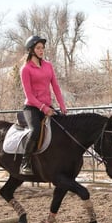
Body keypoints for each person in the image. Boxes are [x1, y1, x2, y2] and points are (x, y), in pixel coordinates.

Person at [18, 35, 67, 175]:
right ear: (31, 50)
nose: (41, 50)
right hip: (32, 107)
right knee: (35, 130)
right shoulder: (25, 69)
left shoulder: (48, 66)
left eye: (42, 48)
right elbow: (29, 96)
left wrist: (62, 106)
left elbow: (56, 87)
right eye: (38, 48)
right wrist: (44, 108)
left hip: (48, 107)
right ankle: (25, 163)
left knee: (62, 128)